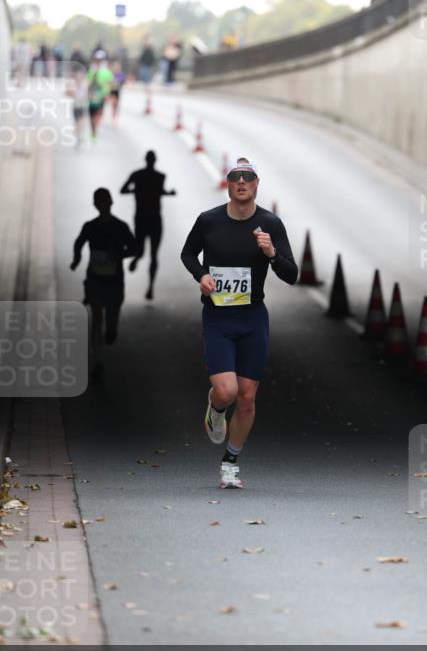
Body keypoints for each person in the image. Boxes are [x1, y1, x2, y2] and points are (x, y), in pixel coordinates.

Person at [181, 156, 297, 488]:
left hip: (252, 318)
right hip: (218, 316)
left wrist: (272, 253)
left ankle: (230, 462)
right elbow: (188, 253)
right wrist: (201, 274)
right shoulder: (209, 221)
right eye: (235, 176)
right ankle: (215, 410)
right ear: (229, 184)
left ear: (257, 183)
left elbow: (291, 275)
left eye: (248, 176)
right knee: (227, 391)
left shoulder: (270, 224)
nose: (242, 181)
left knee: (246, 398)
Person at [70, 188, 136, 383]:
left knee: (111, 318)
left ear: (110, 203)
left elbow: (134, 247)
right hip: (95, 281)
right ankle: (97, 361)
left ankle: (112, 328)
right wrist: (76, 257)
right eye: (99, 201)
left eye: (104, 201)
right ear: (96, 205)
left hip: (115, 282)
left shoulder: (120, 227)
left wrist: (119, 255)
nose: (103, 205)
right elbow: (78, 243)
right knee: (97, 318)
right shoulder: (90, 226)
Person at [121, 150, 176, 300]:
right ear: (155, 161)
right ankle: (150, 287)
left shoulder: (136, 175)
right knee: (154, 254)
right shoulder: (160, 177)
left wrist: (136, 190)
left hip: (141, 218)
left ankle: (136, 259)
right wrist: (169, 193)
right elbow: (160, 192)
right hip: (155, 219)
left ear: (145, 160)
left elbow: (123, 189)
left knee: (141, 250)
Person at [87, 53, 114, 141]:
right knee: (92, 115)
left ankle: (96, 126)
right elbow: (88, 82)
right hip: (93, 96)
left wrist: (108, 94)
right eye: (97, 59)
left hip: (102, 95)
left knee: (100, 112)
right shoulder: (91, 70)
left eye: (100, 60)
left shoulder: (106, 71)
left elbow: (110, 83)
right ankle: (93, 129)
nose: (98, 61)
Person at [138, 37, 156, 114]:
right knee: (144, 76)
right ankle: (146, 85)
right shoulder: (144, 50)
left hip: (148, 66)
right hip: (145, 65)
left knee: (147, 77)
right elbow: (142, 57)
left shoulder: (150, 50)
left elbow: (152, 58)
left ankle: (147, 85)